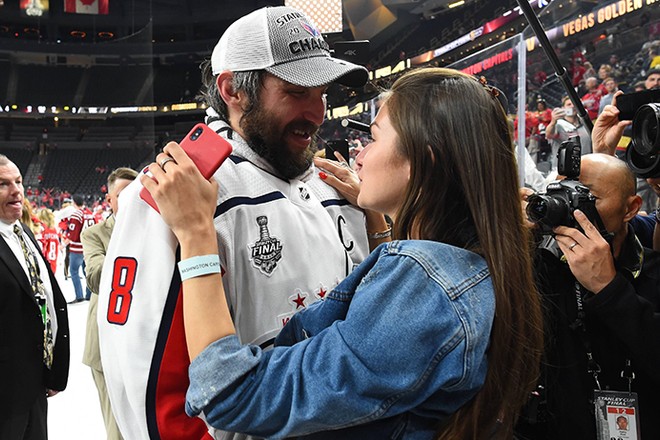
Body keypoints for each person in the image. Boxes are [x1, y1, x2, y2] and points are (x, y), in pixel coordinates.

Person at [143, 67, 544, 439]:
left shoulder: (426, 288)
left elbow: (229, 392)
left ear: (424, 159)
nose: (360, 156)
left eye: (374, 138)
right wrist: (380, 218)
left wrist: (196, 235)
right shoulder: (467, 263)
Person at [96, 6, 381, 440]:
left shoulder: (337, 184)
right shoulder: (173, 190)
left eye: (323, 93)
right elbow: (147, 384)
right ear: (233, 90)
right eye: (296, 92)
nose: (318, 112)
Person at [517, 154, 660, 439]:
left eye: (585, 196)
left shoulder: (653, 273)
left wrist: (609, 289)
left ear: (631, 208)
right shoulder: (539, 269)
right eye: (560, 193)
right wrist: (513, 239)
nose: (568, 206)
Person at [0, 154, 70, 439]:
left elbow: (45, 300)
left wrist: (52, 368)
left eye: (18, 181)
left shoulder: (23, 232)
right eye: (3, 184)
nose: (16, 190)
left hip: (34, 384)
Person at [81, 167, 137, 440]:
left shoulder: (158, 227)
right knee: (117, 429)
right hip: (107, 343)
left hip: (144, 341)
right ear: (109, 200)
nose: (130, 200)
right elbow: (94, 278)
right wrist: (132, 251)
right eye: (122, 195)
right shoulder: (95, 234)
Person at [545, 96, 592, 169]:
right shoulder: (558, 125)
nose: (572, 106)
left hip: (585, 167)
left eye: (574, 104)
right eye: (569, 104)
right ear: (563, 108)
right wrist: (553, 122)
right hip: (564, 169)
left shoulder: (585, 125)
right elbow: (549, 134)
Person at [64, 194, 94, 303]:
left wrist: (63, 244)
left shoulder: (76, 215)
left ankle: (79, 295)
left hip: (77, 248)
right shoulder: (90, 214)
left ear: (74, 203)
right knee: (87, 271)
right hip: (88, 247)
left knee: (74, 271)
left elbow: (73, 234)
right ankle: (89, 294)